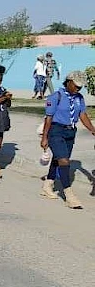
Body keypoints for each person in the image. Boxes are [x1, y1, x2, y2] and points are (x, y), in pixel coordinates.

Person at [39, 71, 95, 209]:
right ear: (68, 82)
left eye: (80, 87)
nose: (78, 89)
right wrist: (45, 137)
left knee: (59, 159)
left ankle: (48, 184)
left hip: (70, 131)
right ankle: (69, 195)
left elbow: (82, 115)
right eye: (76, 86)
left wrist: (92, 129)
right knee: (64, 160)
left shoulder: (79, 98)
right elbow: (49, 118)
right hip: (56, 130)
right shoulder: (56, 96)